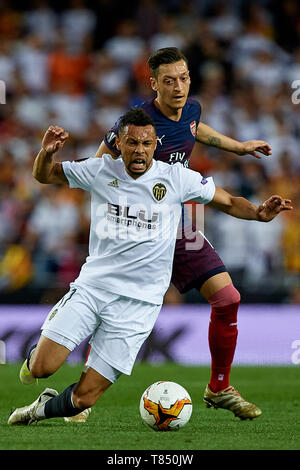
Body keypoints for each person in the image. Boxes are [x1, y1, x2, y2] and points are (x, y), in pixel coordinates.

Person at [8, 108, 291, 425]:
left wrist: (258, 213)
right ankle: (36, 357)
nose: (139, 150)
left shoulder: (176, 178)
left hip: (139, 306)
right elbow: (44, 175)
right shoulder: (101, 170)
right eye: (132, 143)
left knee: (83, 398)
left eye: (146, 143)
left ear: (156, 145)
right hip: (93, 289)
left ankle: (38, 410)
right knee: (41, 368)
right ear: (120, 143)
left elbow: (226, 200)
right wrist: (46, 154)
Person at [93, 47, 273, 419]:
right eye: (169, 80)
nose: (179, 86)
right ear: (154, 83)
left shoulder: (192, 108)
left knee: (228, 298)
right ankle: (80, 399)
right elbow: (98, 168)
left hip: (179, 222)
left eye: (184, 78)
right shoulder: (137, 123)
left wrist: (237, 147)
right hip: (137, 228)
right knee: (111, 309)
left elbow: (193, 129)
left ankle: (219, 388)